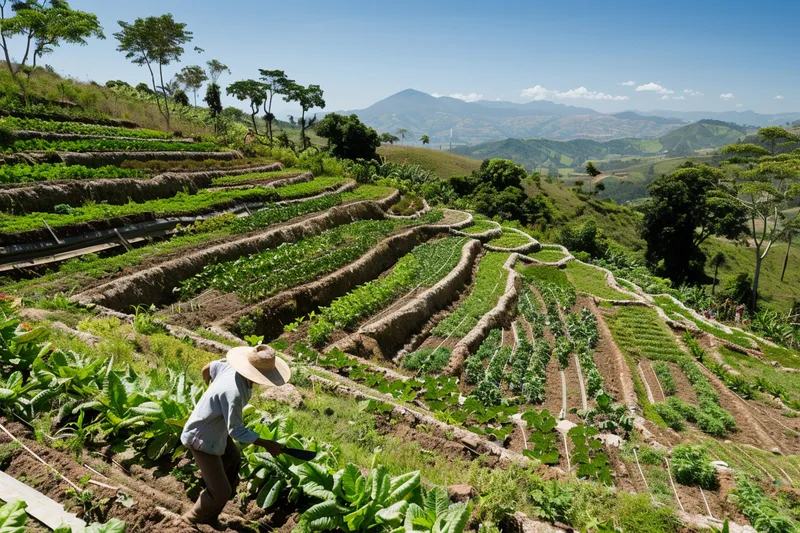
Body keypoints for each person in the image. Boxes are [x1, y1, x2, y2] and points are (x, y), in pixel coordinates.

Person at [178, 344, 291, 526]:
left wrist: (210, 398)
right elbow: (236, 431)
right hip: (202, 438)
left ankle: (210, 515)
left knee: (232, 460)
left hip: (215, 431)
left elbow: (207, 369)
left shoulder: (229, 366)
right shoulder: (234, 392)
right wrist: (267, 444)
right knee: (221, 491)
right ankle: (187, 520)